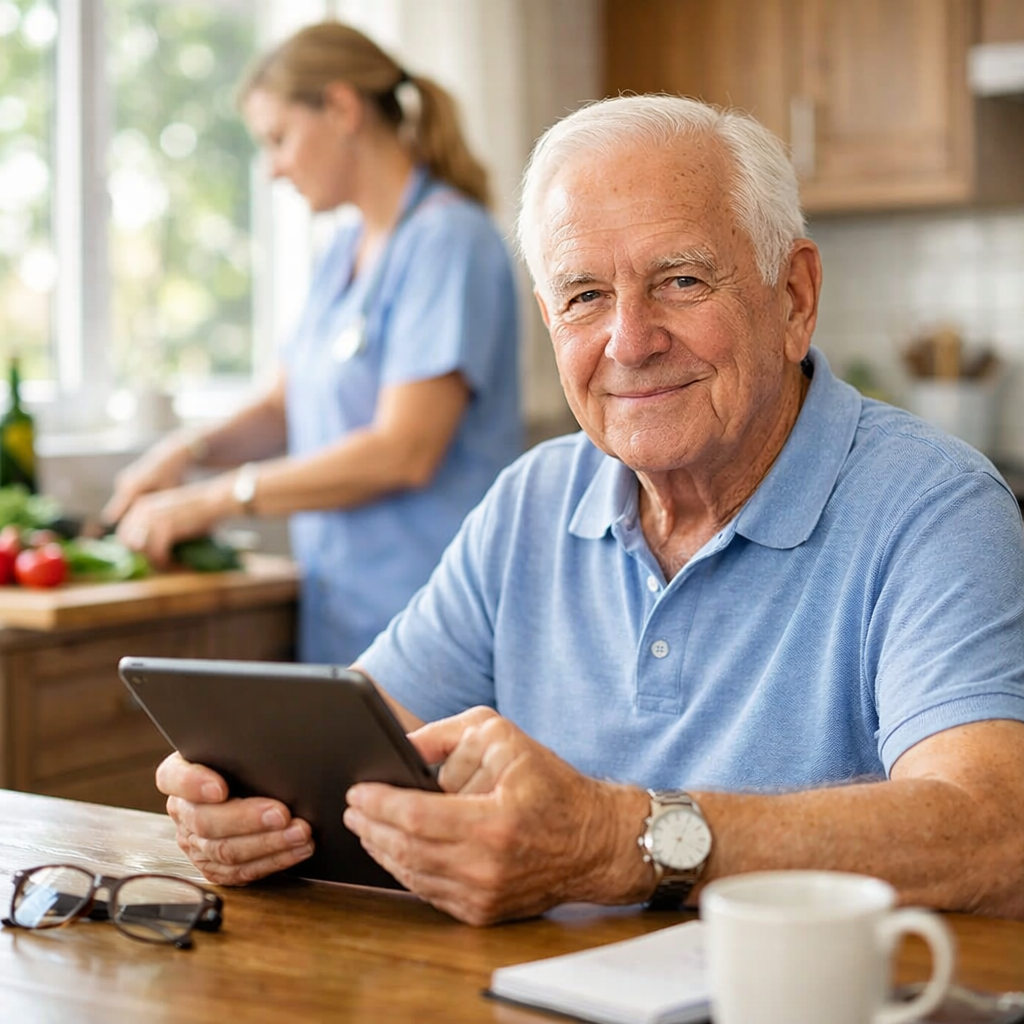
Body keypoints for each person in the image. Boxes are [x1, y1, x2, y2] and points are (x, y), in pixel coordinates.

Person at [155, 95, 1024, 926]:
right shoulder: (532, 501)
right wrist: (247, 802)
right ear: (549, 318)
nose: (630, 341)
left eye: (682, 281)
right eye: (585, 297)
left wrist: (620, 843)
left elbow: (994, 831)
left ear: (793, 297)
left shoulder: (936, 506)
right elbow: (354, 747)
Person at [103, 21, 522, 665]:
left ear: (342, 108)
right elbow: (281, 407)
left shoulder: (449, 242)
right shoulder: (341, 254)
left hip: (436, 629)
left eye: (279, 138)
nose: (272, 168)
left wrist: (217, 498)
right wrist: (186, 450)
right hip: (345, 616)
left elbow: (404, 450)